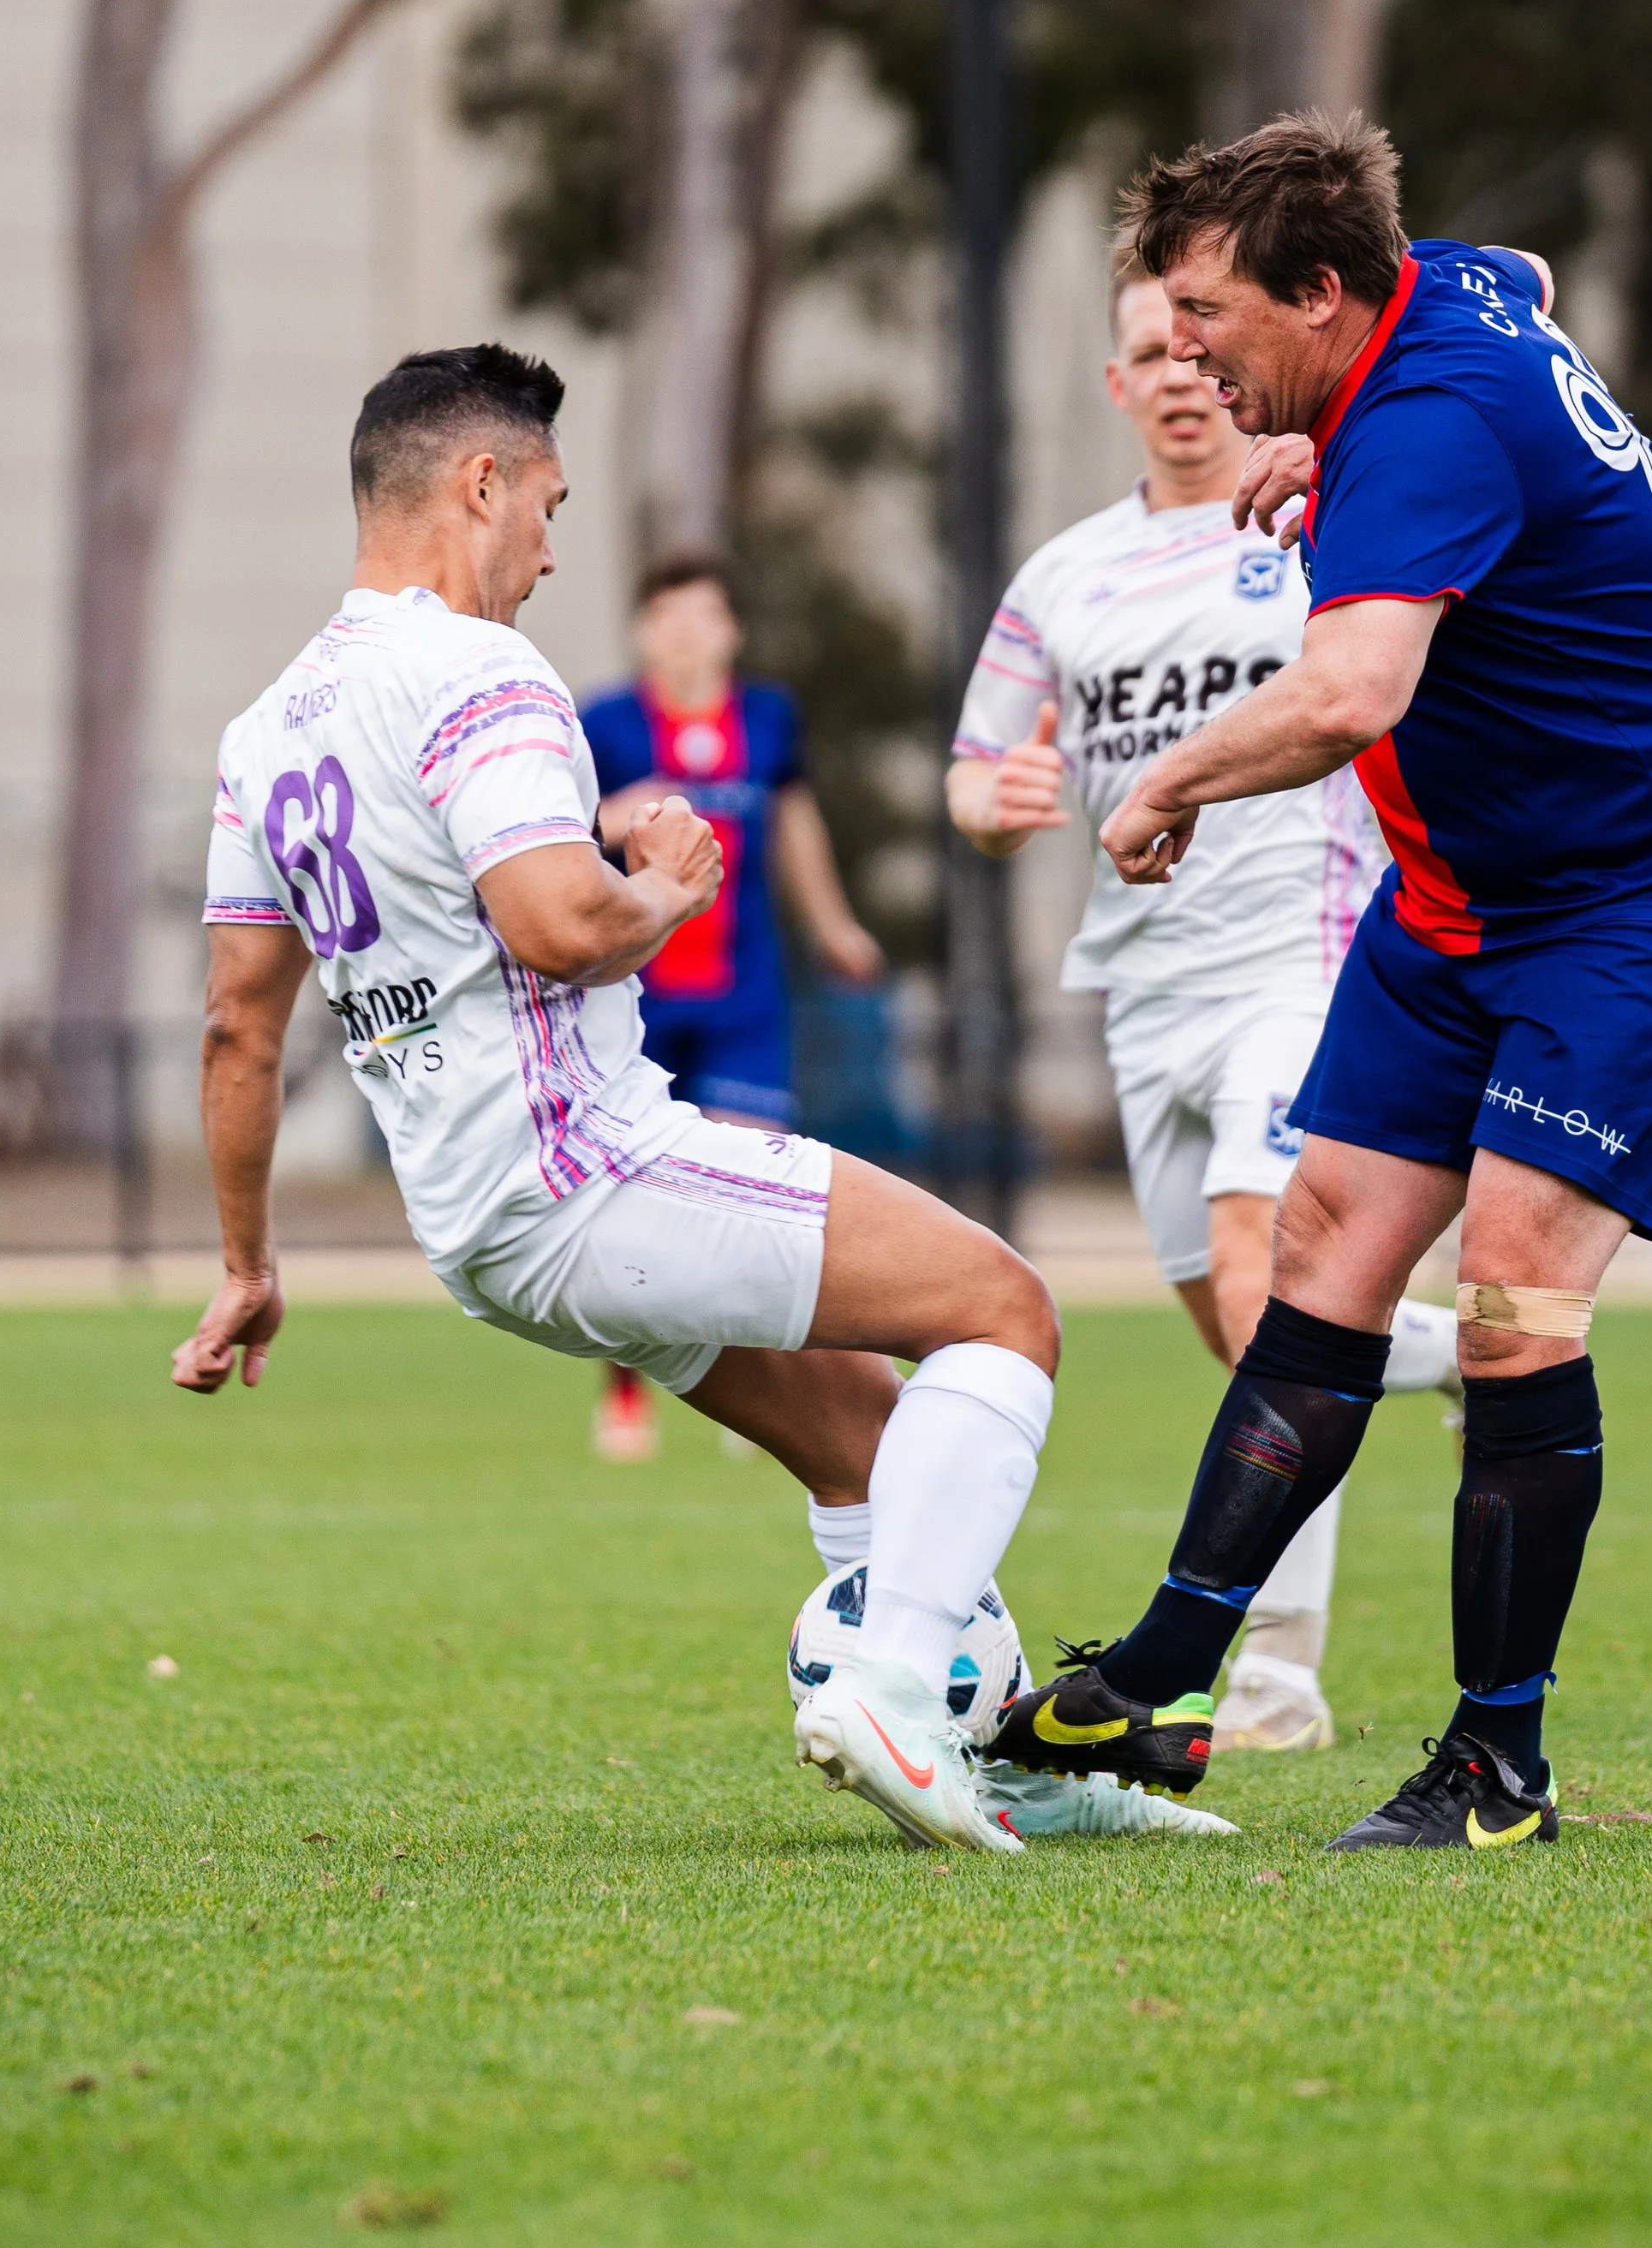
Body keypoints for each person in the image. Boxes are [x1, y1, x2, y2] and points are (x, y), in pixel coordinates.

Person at [991, 110, 1652, 1851]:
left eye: (1209, 314)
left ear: (1319, 291)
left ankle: (1493, 1760)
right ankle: (1154, 1684)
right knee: (1320, 1246)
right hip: (1464, 890)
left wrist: (1157, 784)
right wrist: (1319, 453)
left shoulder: (1430, 417)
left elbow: (1349, 691)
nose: (1187, 354)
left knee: (1514, 1283)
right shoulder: (1429, 296)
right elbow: (1504, 277)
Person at [170, 343, 1087, 1856]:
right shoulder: (479, 671)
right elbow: (553, 922)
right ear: (480, 483)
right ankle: (904, 1693)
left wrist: (247, 1266)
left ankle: (994, 1754)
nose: (547, 546)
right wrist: (658, 883)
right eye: (546, 502)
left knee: (865, 1441)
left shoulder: (264, 733)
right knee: (1003, 1310)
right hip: (588, 1172)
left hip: (478, 1229)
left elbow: (234, 1027)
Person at [947, 240, 1459, 1756]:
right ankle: (1484, 1353)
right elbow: (974, 769)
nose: (1178, 376)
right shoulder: (1063, 576)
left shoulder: (1318, 507)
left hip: (1303, 962)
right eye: (1147, 355)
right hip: (1143, 988)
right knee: (1230, 1322)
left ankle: (1279, 1673)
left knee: (1265, 1297)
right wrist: (1002, 796)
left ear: (1228, 356)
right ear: (1117, 383)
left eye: (1196, 346)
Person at [577, 556, 883, 1463]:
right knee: (633, 1198)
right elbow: (553, 831)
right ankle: (626, 1394)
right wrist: (605, 817)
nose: (684, 634)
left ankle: (763, 1388)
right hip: (637, 994)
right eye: (666, 616)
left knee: (750, 1192)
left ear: (730, 632)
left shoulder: (767, 719)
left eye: (702, 616)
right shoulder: (605, 723)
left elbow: (793, 822)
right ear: (642, 631)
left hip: (745, 991)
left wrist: (832, 924)